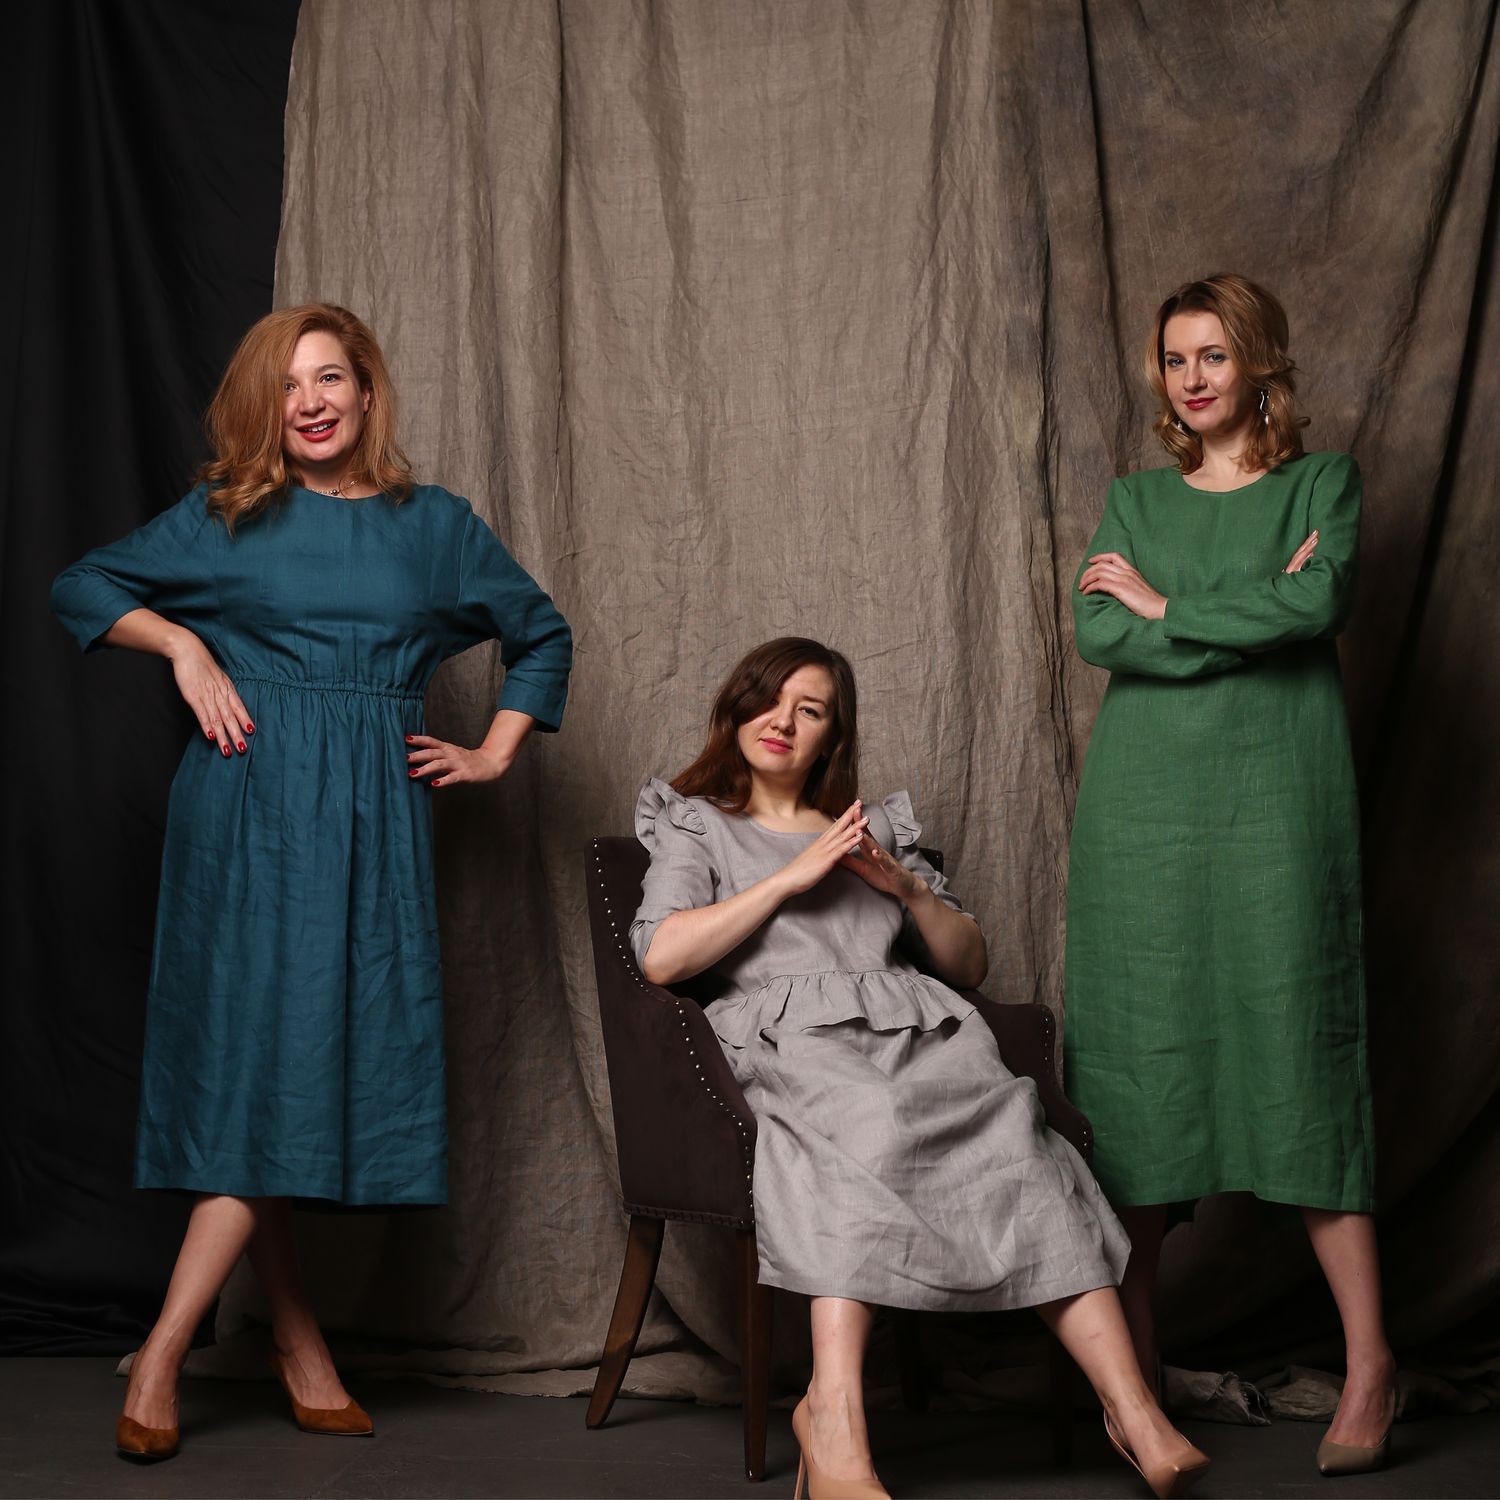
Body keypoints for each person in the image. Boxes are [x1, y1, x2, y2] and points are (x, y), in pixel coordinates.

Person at [51, 303, 572, 1461]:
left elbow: (542, 634)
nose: (310, 402)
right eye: (287, 387)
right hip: (244, 813)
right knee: (264, 1069)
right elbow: (83, 585)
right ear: (267, 408)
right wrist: (184, 646)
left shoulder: (435, 527)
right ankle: (168, 1351)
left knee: (288, 1074)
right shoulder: (227, 516)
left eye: (330, 378)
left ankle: (294, 1339)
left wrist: (494, 752)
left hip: (371, 825)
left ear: (366, 392)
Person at [631, 637, 1210, 1500]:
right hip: (796, 1044)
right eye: (768, 700)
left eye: (810, 710)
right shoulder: (697, 823)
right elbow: (662, 956)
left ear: (833, 738)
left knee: (1019, 1132)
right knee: (864, 1121)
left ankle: (1133, 1410)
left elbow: (969, 963)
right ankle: (835, 1416)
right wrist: (790, 878)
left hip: (922, 1037)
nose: (782, 721)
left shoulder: (872, 830)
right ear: (737, 710)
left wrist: (905, 890)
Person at [1065, 273, 1395, 1477]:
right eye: (1174, 358)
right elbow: (1098, 631)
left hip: (1278, 813)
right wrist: (1250, 610)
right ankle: (1135, 1384)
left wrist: (1168, 606)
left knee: (1301, 1072)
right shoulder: (1134, 498)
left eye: (1213, 355)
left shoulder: (1324, 484)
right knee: (1141, 1091)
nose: (1192, 378)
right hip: (1142, 829)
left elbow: (1320, 602)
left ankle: (1372, 1365)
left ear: (1260, 364)